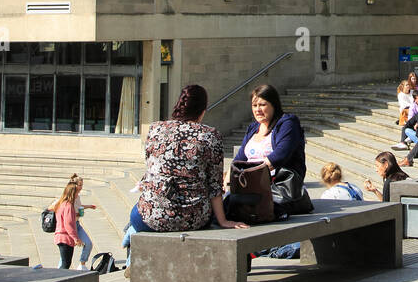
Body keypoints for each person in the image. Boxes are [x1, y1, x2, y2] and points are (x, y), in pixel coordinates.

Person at [126, 84, 246, 248]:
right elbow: (214, 185)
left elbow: (151, 168)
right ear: (203, 110)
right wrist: (223, 221)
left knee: (136, 214)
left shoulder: (155, 129)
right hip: (194, 217)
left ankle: (131, 253)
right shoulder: (210, 135)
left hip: (153, 216)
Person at [235, 83, 307, 182]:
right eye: (254, 105)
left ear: (274, 105)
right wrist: (230, 177)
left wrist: (249, 175)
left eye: (262, 105)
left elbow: (280, 155)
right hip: (251, 184)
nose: (257, 110)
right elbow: (239, 158)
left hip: (278, 187)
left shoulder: (288, 124)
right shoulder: (252, 128)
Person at [51, 179, 81, 269]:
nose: (78, 194)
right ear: (72, 193)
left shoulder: (62, 204)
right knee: (65, 264)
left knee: (65, 262)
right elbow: (68, 225)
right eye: (77, 192)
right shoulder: (68, 206)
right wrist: (76, 238)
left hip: (60, 236)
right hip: (65, 238)